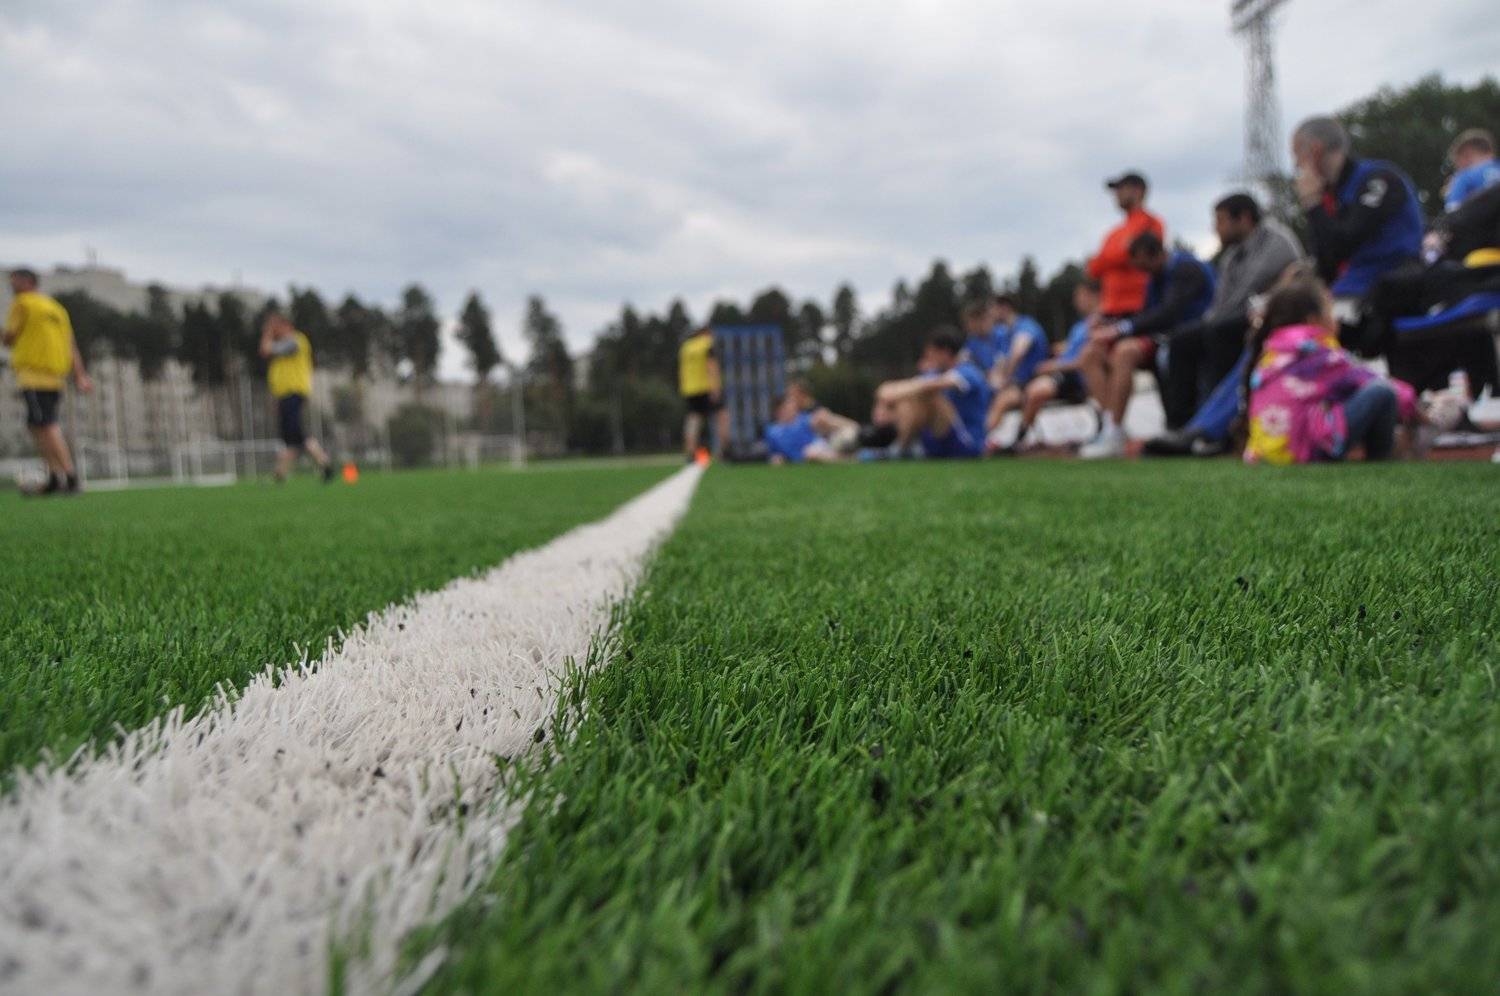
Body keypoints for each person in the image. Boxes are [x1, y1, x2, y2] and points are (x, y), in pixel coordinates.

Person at [1154, 193, 1303, 432]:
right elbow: (1221, 301)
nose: (1215, 228)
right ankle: (1180, 424)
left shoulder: (1276, 241)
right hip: (1236, 318)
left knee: (1217, 332)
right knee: (1181, 340)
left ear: (1244, 218)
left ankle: (1216, 428)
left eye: (1221, 220)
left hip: (1273, 319)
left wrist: (1212, 321)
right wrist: (1210, 321)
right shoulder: (1232, 254)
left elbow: (1246, 292)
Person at [1243, 275, 1420, 465]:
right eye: (1330, 311)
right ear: (1313, 319)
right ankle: (1380, 460)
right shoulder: (1316, 350)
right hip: (1304, 450)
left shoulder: (1272, 351)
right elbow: (1366, 379)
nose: (1336, 319)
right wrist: (1417, 408)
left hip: (1266, 453)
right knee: (1383, 392)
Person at [1076, 234, 1214, 459]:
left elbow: (1169, 313)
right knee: (1091, 354)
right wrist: (1110, 324)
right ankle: (1112, 428)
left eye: (1141, 263)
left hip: (1190, 338)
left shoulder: (1186, 268)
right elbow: (1146, 315)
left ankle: (1116, 433)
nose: (1139, 270)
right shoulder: (1154, 277)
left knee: (1125, 352)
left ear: (1155, 254)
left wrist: (1120, 329)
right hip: (1162, 339)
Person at [1292, 116, 1423, 335]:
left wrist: (1313, 205)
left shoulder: (1378, 179)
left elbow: (1343, 245)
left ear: (1315, 150)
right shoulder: (1332, 194)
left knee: (1309, 332)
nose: (1296, 165)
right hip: (1352, 284)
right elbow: (1325, 261)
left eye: (1297, 155)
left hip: (1387, 280)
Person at [4, 268, 93, 495]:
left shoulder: (23, 303)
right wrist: (80, 374)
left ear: (27, 282)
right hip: (56, 377)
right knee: (36, 425)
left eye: (14, 281)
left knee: (45, 424)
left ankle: (70, 476)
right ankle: (54, 476)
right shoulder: (57, 309)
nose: (11, 285)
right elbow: (70, 344)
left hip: (33, 374)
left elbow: (9, 338)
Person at [1003, 279, 1100, 452]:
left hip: (1075, 377)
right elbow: (1073, 349)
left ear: (1092, 295)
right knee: (1030, 390)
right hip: (1065, 374)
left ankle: (1019, 439)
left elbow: (1084, 360)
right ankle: (1022, 438)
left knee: (1036, 391)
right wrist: (1059, 349)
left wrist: (1051, 366)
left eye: (1079, 295)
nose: (1075, 300)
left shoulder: (1099, 323)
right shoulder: (1081, 325)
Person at [870, 327, 991, 459]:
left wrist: (895, 393)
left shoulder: (968, 372)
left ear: (945, 352)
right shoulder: (935, 374)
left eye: (932, 353)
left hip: (968, 443)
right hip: (940, 442)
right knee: (912, 396)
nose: (929, 357)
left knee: (927, 394)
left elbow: (930, 385)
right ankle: (903, 447)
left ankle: (899, 449)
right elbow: (885, 392)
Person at [259, 311, 333, 483]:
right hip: (285, 395)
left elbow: (265, 350)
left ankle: (325, 463)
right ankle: (280, 474)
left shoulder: (295, 341)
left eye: (277, 329)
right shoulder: (288, 344)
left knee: (297, 435)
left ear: (285, 326)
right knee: (290, 438)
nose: (275, 333)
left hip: (293, 393)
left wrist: (267, 332)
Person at [1086, 171, 1165, 320]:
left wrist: (1108, 258)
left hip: (1141, 307)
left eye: (1122, 188)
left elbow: (1142, 257)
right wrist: (1120, 253)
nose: (1117, 194)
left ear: (1138, 191)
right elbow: (1094, 269)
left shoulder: (1151, 223)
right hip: (1110, 309)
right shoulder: (1113, 233)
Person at [984, 294, 1051, 433]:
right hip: (1019, 384)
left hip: (1033, 379)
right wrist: (993, 382)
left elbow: (1018, 353)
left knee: (1002, 400)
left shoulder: (1025, 325)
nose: (990, 314)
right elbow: (1000, 363)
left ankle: (1019, 434)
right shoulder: (1003, 333)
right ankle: (983, 438)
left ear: (1004, 308)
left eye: (992, 309)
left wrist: (1005, 380)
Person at [764, 381, 860, 465]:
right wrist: (776, 458)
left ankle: (850, 459)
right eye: (788, 405)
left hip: (820, 449)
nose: (793, 408)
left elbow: (849, 425)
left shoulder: (804, 419)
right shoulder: (772, 431)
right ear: (779, 410)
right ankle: (851, 458)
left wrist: (829, 420)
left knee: (811, 452)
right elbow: (774, 452)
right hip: (801, 459)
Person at [678, 325, 729, 461]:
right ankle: (724, 450)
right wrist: (716, 388)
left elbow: (682, 370)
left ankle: (690, 451)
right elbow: (711, 366)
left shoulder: (686, 347)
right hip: (707, 386)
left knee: (693, 418)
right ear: (706, 333)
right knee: (722, 416)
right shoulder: (707, 344)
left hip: (690, 389)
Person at [1444, 128, 1500, 213]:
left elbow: (1452, 214)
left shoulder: (1464, 177)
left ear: (1466, 156)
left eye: (1457, 164)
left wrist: (1452, 191)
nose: (1458, 169)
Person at [958, 299, 1000, 374]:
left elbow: (1003, 362)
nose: (968, 326)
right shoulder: (972, 339)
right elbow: (964, 357)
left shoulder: (1000, 334)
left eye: (970, 322)